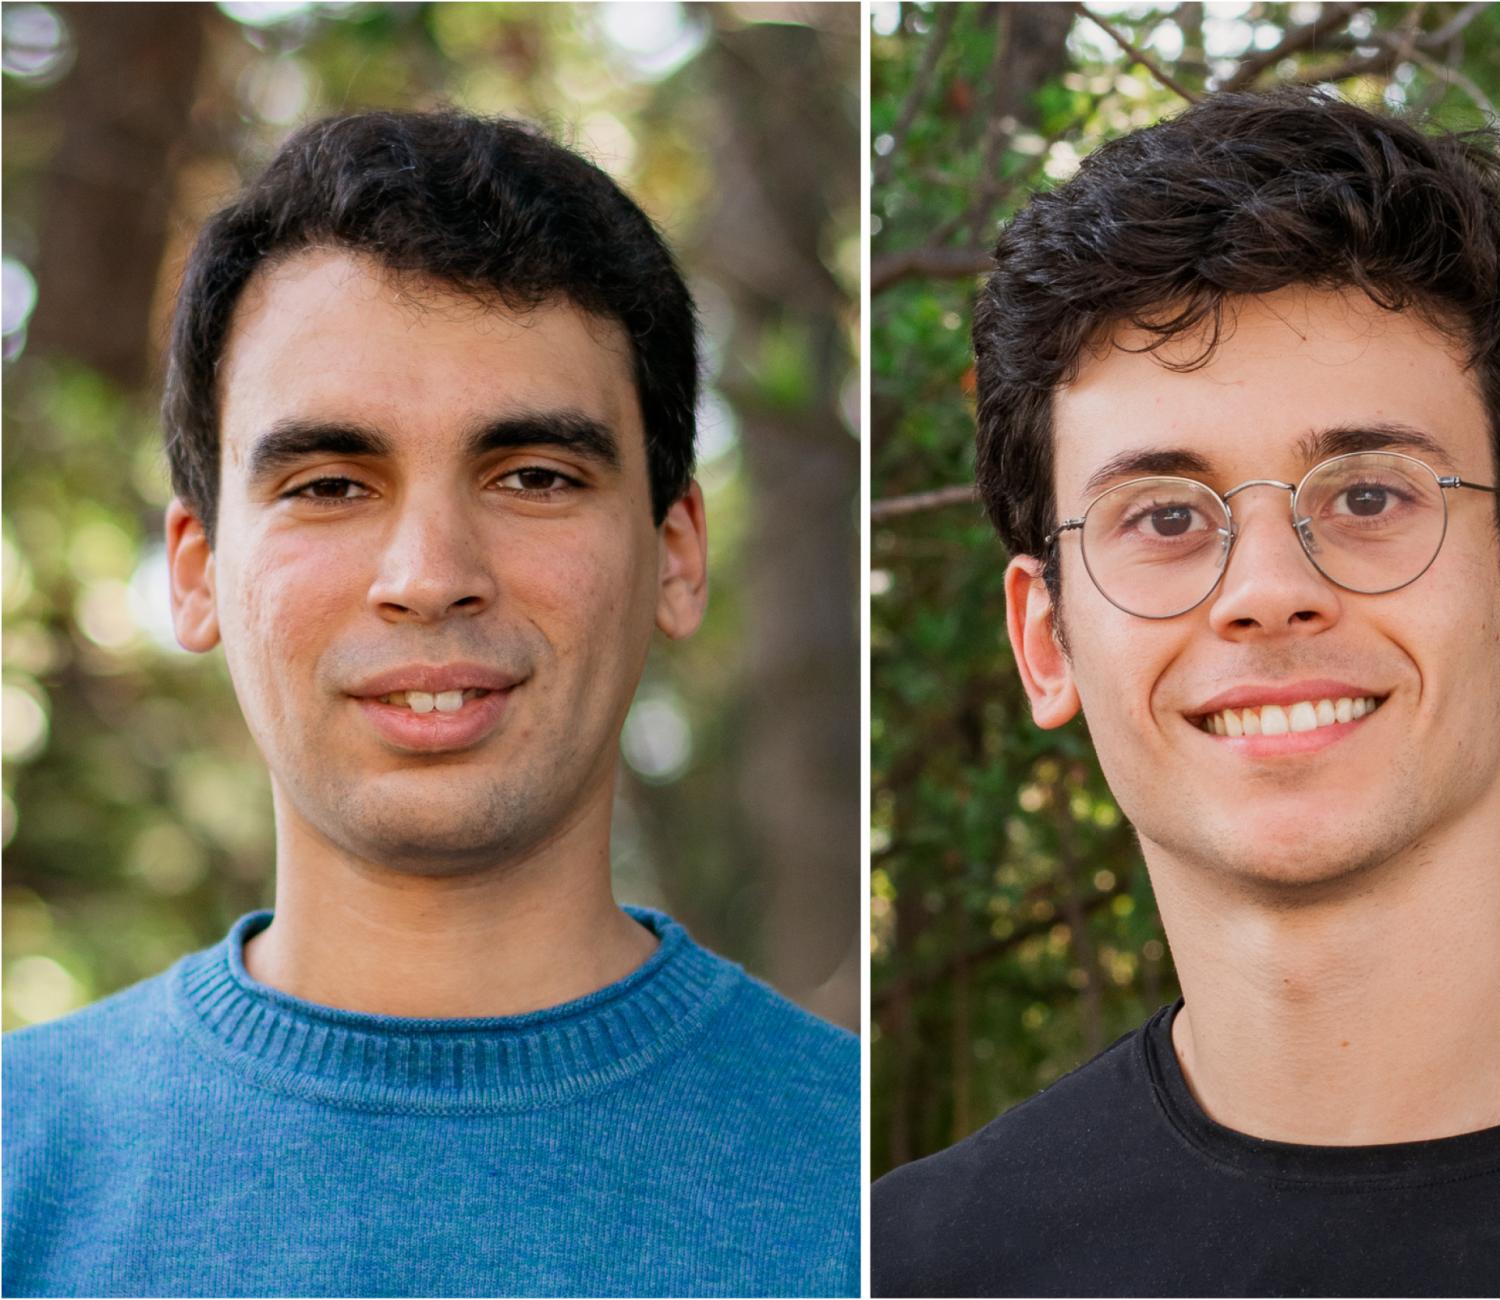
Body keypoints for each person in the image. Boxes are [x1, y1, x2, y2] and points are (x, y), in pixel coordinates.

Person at [869, 89, 1500, 1297]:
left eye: (1368, 497)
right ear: (1045, 638)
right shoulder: (911, 1263)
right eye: (1165, 518)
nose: (1267, 591)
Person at [0, 110, 860, 1299]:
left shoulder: (880, 1194)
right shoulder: (19, 1172)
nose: (428, 572)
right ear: (197, 570)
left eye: (535, 477)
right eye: (331, 482)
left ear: (674, 554)